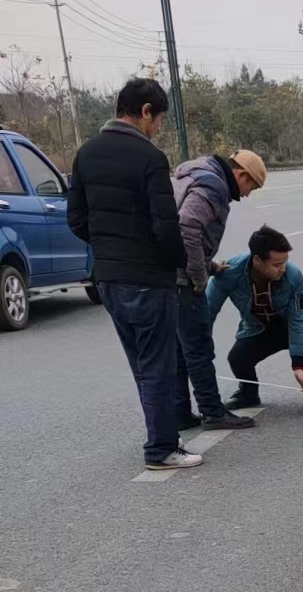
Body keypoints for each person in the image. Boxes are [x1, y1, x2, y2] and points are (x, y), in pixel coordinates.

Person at [66, 77, 203, 470]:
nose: (158, 127)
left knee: (142, 366)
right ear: (145, 111)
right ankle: (161, 448)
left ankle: (161, 436)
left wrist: (109, 246)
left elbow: (76, 218)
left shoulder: (86, 153)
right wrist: (176, 265)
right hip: (148, 279)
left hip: (109, 278)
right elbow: (167, 227)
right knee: (159, 365)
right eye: (158, 119)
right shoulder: (149, 157)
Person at [172, 147, 267, 427]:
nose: (247, 194)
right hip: (183, 280)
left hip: (169, 274)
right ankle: (213, 411)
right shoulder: (214, 186)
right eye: (251, 187)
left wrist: (212, 266)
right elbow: (188, 227)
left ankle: (179, 412)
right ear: (241, 175)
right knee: (198, 347)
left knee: (178, 350)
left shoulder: (197, 172)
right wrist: (199, 276)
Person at [206, 225, 303, 418]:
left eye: (285, 262)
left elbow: (298, 318)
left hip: (288, 326)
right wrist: (199, 345)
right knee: (237, 358)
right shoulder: (229, 273)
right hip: (258, 329)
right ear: (257, 260)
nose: (283, 268)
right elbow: (207, 310)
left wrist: (299, 365)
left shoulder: (293, 275)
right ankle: (248, 394)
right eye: (276, 264)